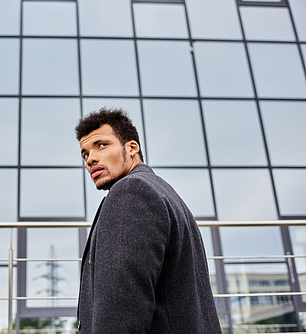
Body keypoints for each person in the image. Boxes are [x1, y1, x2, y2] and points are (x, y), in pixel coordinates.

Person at [75, 108, 221, 333]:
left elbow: (120, 311)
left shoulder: (131, 192)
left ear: (132, 148)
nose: (91, 158)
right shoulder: (164, 193)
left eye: (101, 145)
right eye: (85, 154)